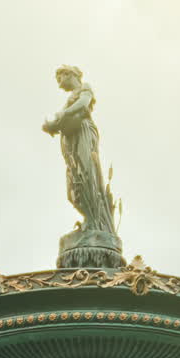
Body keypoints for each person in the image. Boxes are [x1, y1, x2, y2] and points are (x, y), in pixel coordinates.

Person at [42, 65, 113, 235]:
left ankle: (95, 221)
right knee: (74, 179)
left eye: (60, 79)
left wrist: (62, 114)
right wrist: (52, 126)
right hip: (70, 138)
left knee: (87, 172)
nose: (59, 85)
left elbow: (83, 104)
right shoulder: (68, 101)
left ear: (69, 74)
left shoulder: (85, 88)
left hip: (83, 131)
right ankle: (88, 217)